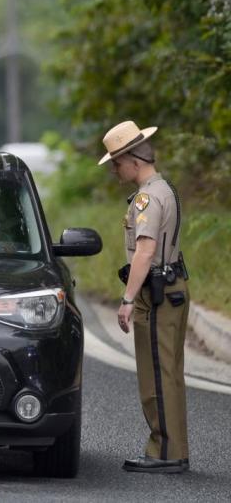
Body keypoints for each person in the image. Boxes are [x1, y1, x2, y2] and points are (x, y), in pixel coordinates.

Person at [99, 120, 191, 473]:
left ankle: (164, 452)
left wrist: (126, 299)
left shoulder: (147, 198)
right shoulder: (164, 188)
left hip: (157, 294)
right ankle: (174, 449)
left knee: (156, 376)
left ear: (133, 160)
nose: (115, 170)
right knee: (170, 373)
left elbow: (145, 251)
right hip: (173, 288)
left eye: (117, 163)